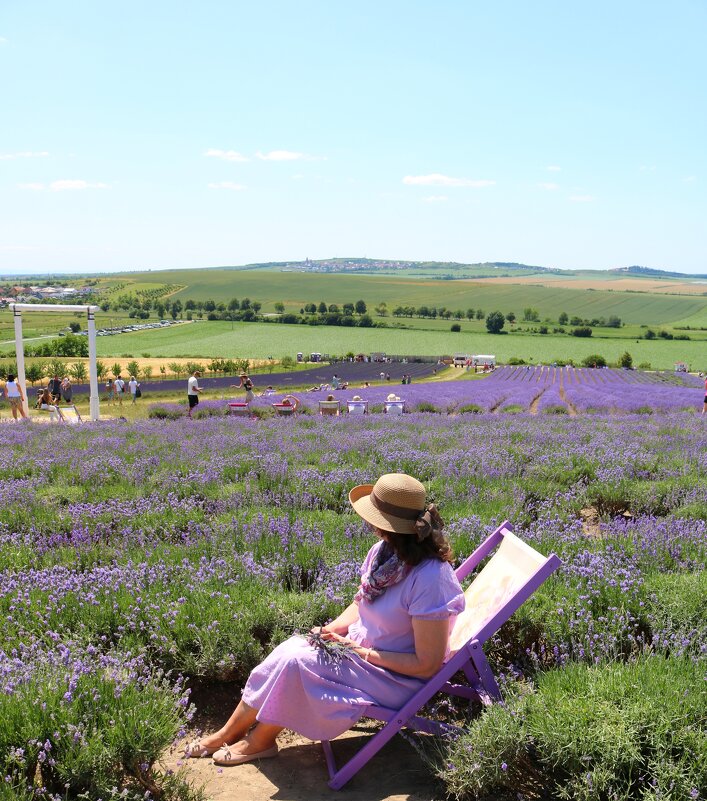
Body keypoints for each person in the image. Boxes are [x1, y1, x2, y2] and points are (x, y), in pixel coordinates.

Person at [185, 473, 464, 766]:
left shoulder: (430, 578)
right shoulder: (385, 553)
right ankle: (228, 732)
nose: (368, 524)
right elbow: (363, 602)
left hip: (396, 678)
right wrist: (330, 630)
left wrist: (358, 651)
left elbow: (426, 665)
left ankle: (261, 741)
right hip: (362, 657)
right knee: (291, 648)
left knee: (298, 665)